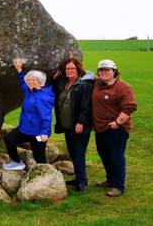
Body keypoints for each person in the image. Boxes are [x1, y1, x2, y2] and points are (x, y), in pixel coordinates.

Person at [92, 59, 137, 197]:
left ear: (114, 71)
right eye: (101, 70)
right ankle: (110, 179)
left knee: (115, 156)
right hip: (100, 128)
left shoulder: (123, 87)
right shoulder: (98, 83)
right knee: (104, 154)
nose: (103, 72)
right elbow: (84, 74)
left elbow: (130, 107)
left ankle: (118, 185)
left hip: (116, 129)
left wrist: (117, 123)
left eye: (107, 70)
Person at [50, 58, 94, 193]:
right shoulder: (63, 83)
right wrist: (54, 79)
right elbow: (54, 91)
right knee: (73, 153)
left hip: (79, 126)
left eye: (72, 69)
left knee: (79, 154)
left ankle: (81, 183)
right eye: (67, 69)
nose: (69, 71)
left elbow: (86, 106)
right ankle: (80, 178)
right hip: (67, 125)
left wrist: (81, 122)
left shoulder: (84, 85)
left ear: (78, 70)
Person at [3, 59, 55, 170]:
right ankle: (17, 162)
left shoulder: (43, 97)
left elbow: (46, 117)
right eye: (29, 80)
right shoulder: (30, 90)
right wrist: (19, 70)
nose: (31, 82)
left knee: (39, 158)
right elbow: (23, 83)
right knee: (9, 139)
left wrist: (45, 133)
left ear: (41, 82)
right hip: (24, 129)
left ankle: (46, 178)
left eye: (34, 80)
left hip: (38, 134)